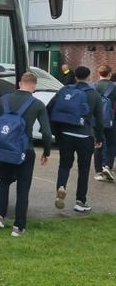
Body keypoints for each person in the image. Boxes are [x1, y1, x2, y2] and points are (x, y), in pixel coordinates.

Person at [0, 72, 52, 237]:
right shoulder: (37, 104)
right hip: (24, 149)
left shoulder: (3, 100)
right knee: (23, 188)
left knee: (4, 182)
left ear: (19, 83)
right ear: (34, 86)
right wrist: (46, 151)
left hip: (4, 149)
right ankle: (18, 227)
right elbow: (46, 132)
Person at [47, 66, 103, 212]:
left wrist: (56, 131)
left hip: (65, 134)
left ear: (75, 76)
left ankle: (61, 187)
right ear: (89, 77)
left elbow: (50, 108)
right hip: (85, 136)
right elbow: (100, 120)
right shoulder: (94, 94)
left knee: (64, 165)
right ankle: (80, 201)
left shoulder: (65, 90)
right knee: (83, 169)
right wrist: (99, 138)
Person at [93, 65, 116, 182]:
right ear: (110, 74)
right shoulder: (114, 86)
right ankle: (107, 165)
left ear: (99, 73)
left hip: (96, 121)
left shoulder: (92, 86)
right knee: (111, 143)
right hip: (110, 120)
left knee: (98, 144)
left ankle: (99, 171)